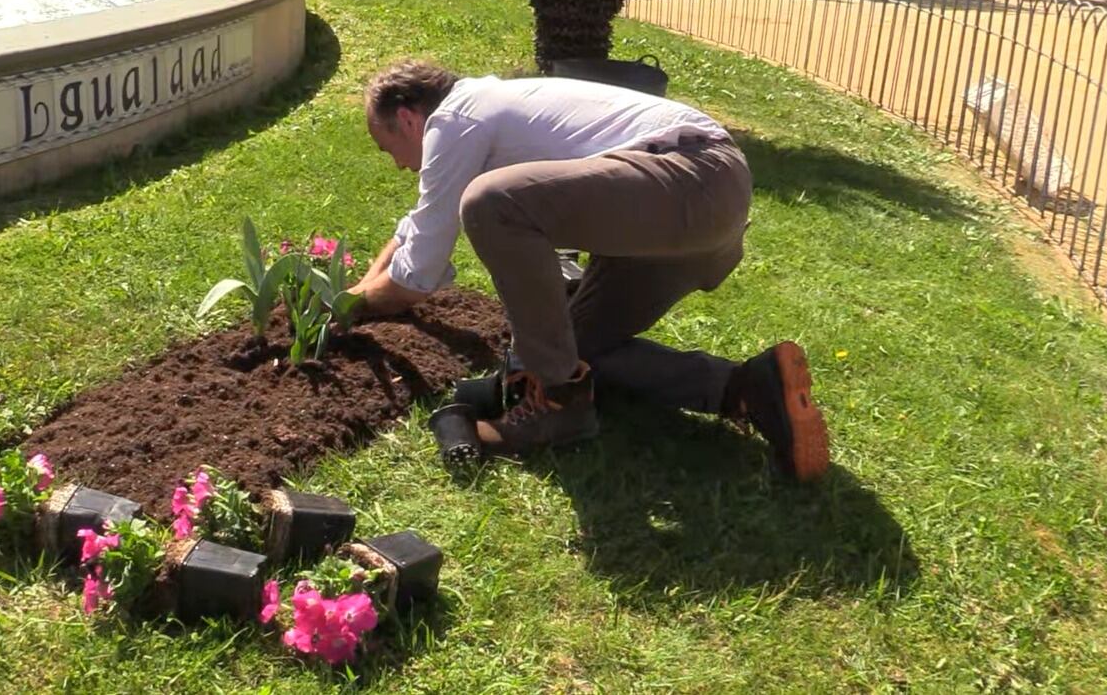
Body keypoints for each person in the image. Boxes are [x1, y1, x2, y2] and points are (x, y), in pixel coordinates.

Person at [345, 61, 830, 480]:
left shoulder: (455, 119)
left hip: (689, 179)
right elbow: (417, 227)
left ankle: (559, 403)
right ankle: (746, 389)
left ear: (408, 119)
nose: (400, 167)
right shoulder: (487, 107)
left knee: (491, 204)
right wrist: (359, 288)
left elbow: (416, 277)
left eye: (388, 149)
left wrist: (351, 307)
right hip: (699, 201)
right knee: (575, 347)